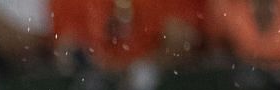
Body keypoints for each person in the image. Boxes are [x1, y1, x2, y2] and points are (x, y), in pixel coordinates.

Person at [52, 0, 204, 69]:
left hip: (161, 82)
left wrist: (144, 69)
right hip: (99, 86)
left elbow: (183, 39)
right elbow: (66, 47)